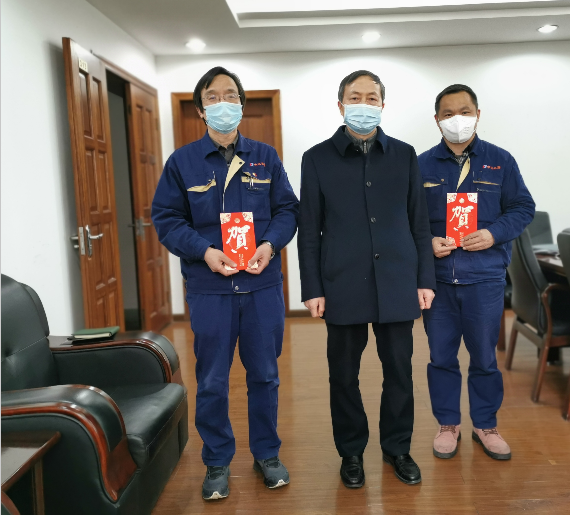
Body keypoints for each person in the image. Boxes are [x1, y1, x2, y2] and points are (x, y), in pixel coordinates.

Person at [151, 67, 299, 499]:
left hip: (261, 287)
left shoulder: (265, 157)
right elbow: (167, 219)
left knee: (265, 375)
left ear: (242, 104)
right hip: (210, 289)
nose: (223, 103)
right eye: (212, 97)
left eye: (231, 95)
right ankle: (217, 461)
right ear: (201, 110)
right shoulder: (182, 162)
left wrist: (269, 245)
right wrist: (204, 251)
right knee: (213, 380)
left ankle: (267, 454)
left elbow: (288, 210)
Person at [298, 70, 436, 489]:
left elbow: (419, 222)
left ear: (382, 105)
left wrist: (424, 279)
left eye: (371, 97)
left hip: (397, 279)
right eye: (354, 97)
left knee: (399, 372)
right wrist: (312, 287)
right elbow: (309, 228)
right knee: (343, 375)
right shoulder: (316, 158)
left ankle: (397, 448)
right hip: (342, 282)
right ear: (341, 105)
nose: (363, 104)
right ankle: (352, 452)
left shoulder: (404, 155)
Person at [418, 84, 535, 462]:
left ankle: (486, 425)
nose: (457, 119)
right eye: (448, 113)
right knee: (441, 357)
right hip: (438, 281)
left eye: (465, 111)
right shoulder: (420, 165)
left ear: (478, 115)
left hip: (485, 279)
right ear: (437, 120)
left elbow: (523, 208)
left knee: (485, 358)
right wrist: (427, 241)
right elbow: (405, 218)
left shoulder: (501, 161)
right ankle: (447, 424)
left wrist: (493, 233)